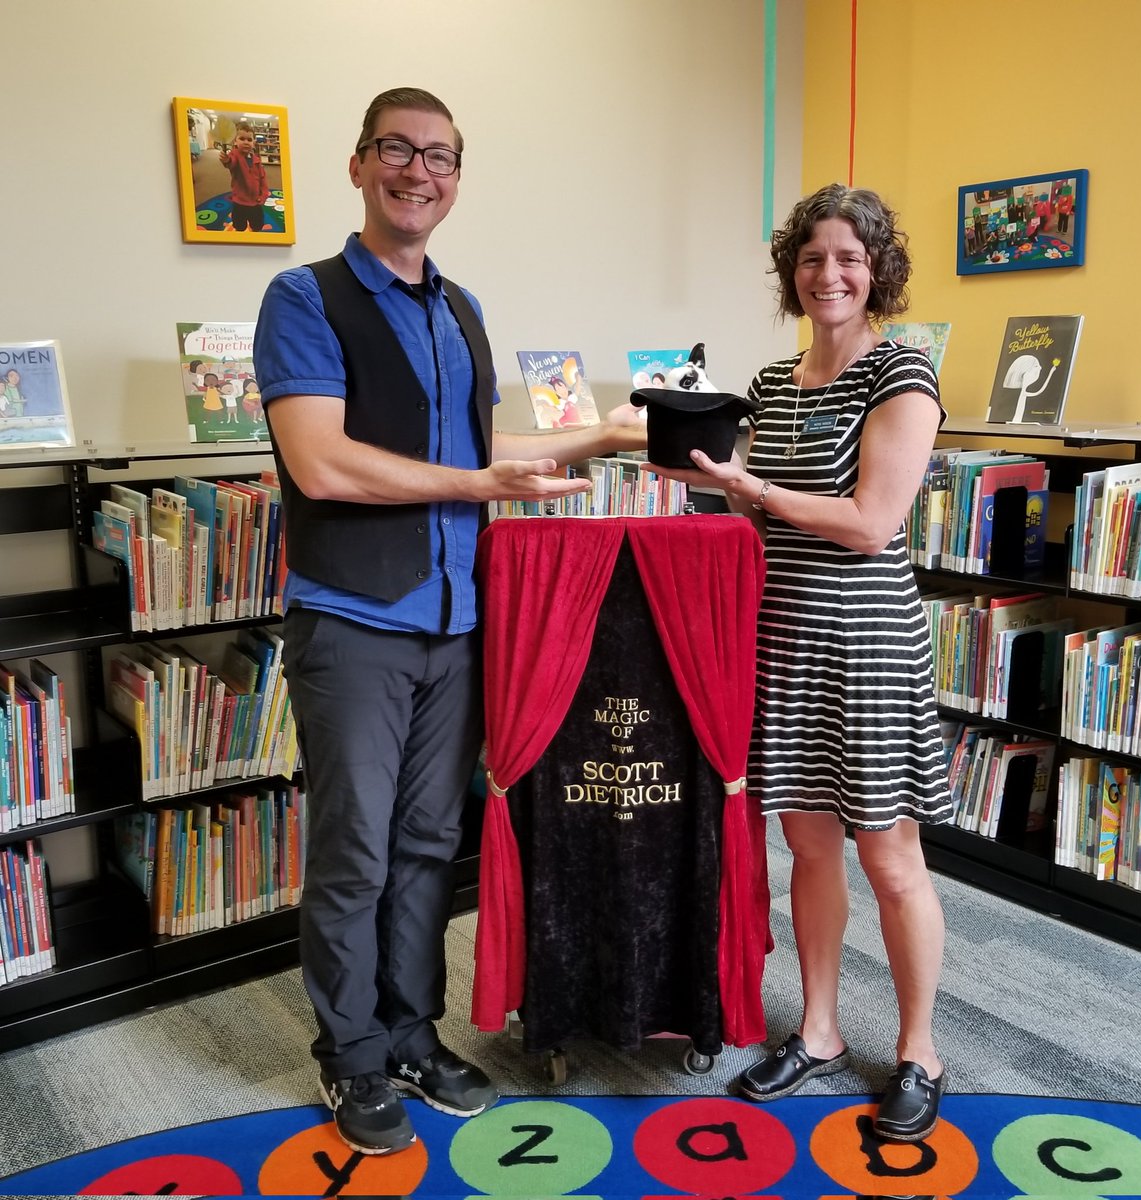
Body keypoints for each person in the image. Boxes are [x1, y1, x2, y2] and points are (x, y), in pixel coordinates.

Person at [252, 85, 646, 1158]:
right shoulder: (304, 297)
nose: (417, 170)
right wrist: (484, 489)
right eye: (397, 149)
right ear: (358, 164)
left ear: (457, 179)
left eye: (439, 156)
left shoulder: (461, 309)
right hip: (354, 624)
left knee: (432, 843)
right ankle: (352, 1054)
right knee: (355, 852)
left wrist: (597, 439)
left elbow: (485, 460)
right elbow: (321, 462)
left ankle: (413, 1031)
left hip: (457, 622)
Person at [653, 183, 952, 1143]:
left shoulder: (903, 371)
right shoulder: (773, 384)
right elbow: (756, 513)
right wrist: (703, 482)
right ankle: (819, 1031)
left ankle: (918, 1049)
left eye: (850, 258)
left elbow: (871, 524)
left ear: (878, 273)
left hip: (863, 641)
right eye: (814, 257)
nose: (829, 274)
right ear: (794, 270)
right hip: (781, 640)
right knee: (809, 846)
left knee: (889, 856)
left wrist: (752, 488)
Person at [218, 122, 269, 232]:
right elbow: (231, 162)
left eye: (249, 140)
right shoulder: (234, 155)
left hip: (256, 201)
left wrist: (264, 194)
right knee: (239, 226)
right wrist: (227, 160)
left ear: (254, 143)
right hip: (240, 202)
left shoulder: (256, 159)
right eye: (242, 138)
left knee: (257, 225)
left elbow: (262, 178)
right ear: (235, 141)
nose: (246, 142)